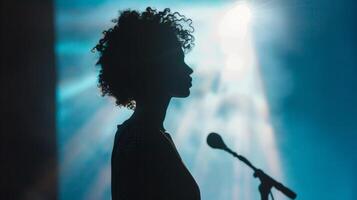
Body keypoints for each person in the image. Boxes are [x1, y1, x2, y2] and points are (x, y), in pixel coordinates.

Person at [92, 7, 200, 200]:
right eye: (177, 61)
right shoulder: (142, 138)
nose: (189, 70)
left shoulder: (137, 134)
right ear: (153, 69)